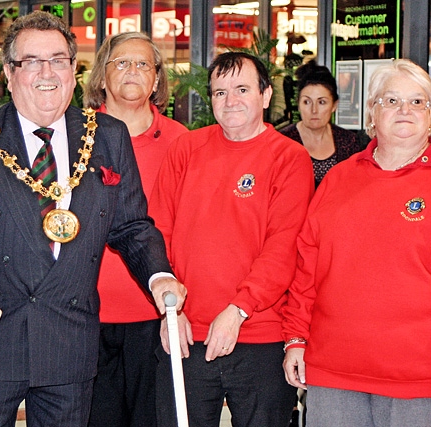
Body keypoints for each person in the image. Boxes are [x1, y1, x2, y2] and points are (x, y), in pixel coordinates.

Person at [0, 11, 186, 427]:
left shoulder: (107, 135)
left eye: (59, 60)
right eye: (32, 61)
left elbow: (133, 226)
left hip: (70, 343)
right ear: (10, 73)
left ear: (73, 69)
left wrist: (159, 276)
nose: (47, 73)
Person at [150, 51, 314, 427]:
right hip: (185, 336)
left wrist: (239, 308)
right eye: (220, 92)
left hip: (260, 338)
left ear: (266, 95)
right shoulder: (186, 150)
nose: (230, 100)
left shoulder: (290, 159)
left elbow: (283, 247)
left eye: (242, 89)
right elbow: (159, 233)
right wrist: (170, 310)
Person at [281, 59, 431, 427]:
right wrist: (295, 339)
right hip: (334, 374)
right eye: (391, 101)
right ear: (372, 112)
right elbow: (307, 267)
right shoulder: (339, 180)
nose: (405, 110)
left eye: (418, 102)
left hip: (420, 381)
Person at [83, 32, 188, 427]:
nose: (132, 71)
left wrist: (180, 311)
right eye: (121, 62)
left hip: (155, 316)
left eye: (143, 64)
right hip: (86, 317)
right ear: (102, 76)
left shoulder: (183, 143)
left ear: (158, 79)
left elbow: (189, 232)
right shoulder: (75, 137)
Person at [280, 60, 361, 188]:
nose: (314, 110)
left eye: (322, 102)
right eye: (307, 102)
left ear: (334, 105)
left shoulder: (348, 141)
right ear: (298, 104)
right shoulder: (283, 142)